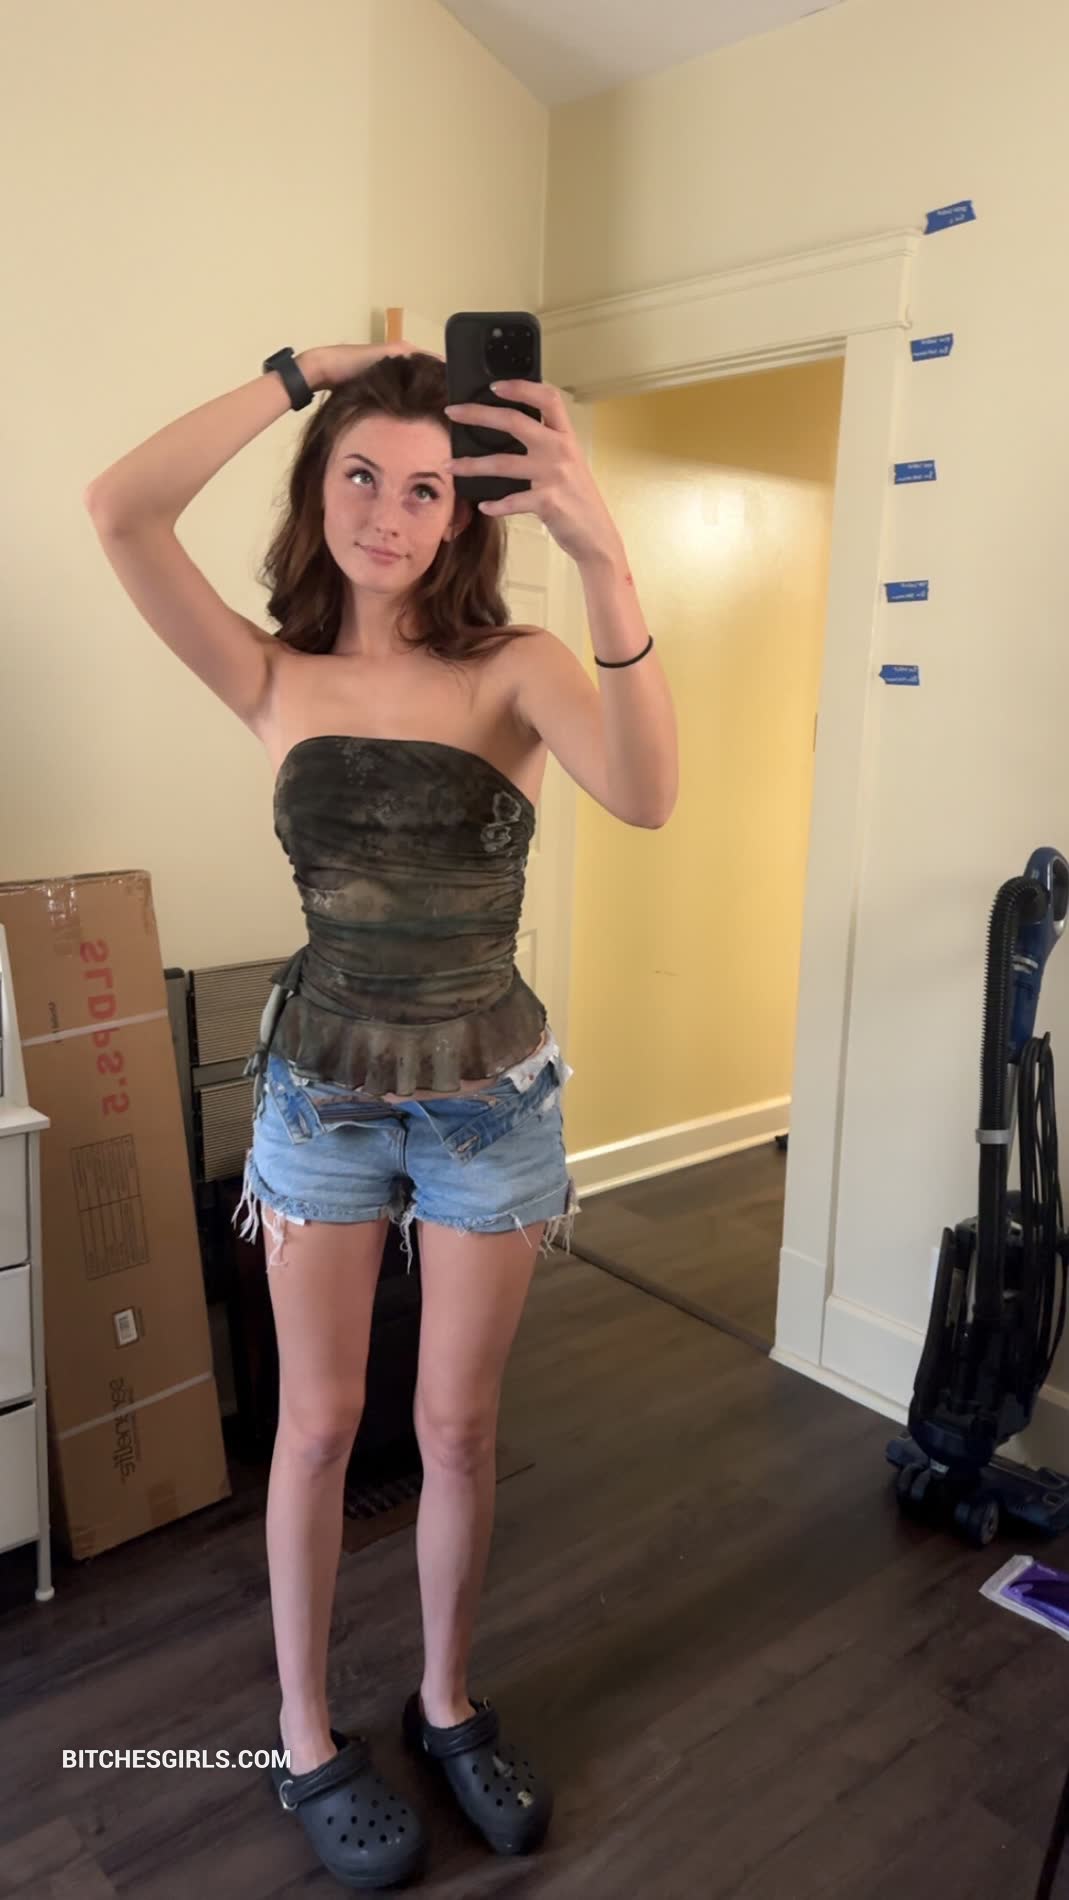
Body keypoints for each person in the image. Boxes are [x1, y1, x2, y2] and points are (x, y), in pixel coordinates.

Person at [83, 337, 676, 1889]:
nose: (388, 513)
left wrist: (602, 557)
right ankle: (301, 1732)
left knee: (458, 1428)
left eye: (424, 488)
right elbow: (121, 508)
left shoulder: (516, 667)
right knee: (319, 1425)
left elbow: (647, 793)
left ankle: (446, 1702)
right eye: (361, 476)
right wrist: (295, 373)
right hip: (320, 1099)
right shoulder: (269, 672)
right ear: (320, 487)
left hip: (489, 1105)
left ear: (461, 512)